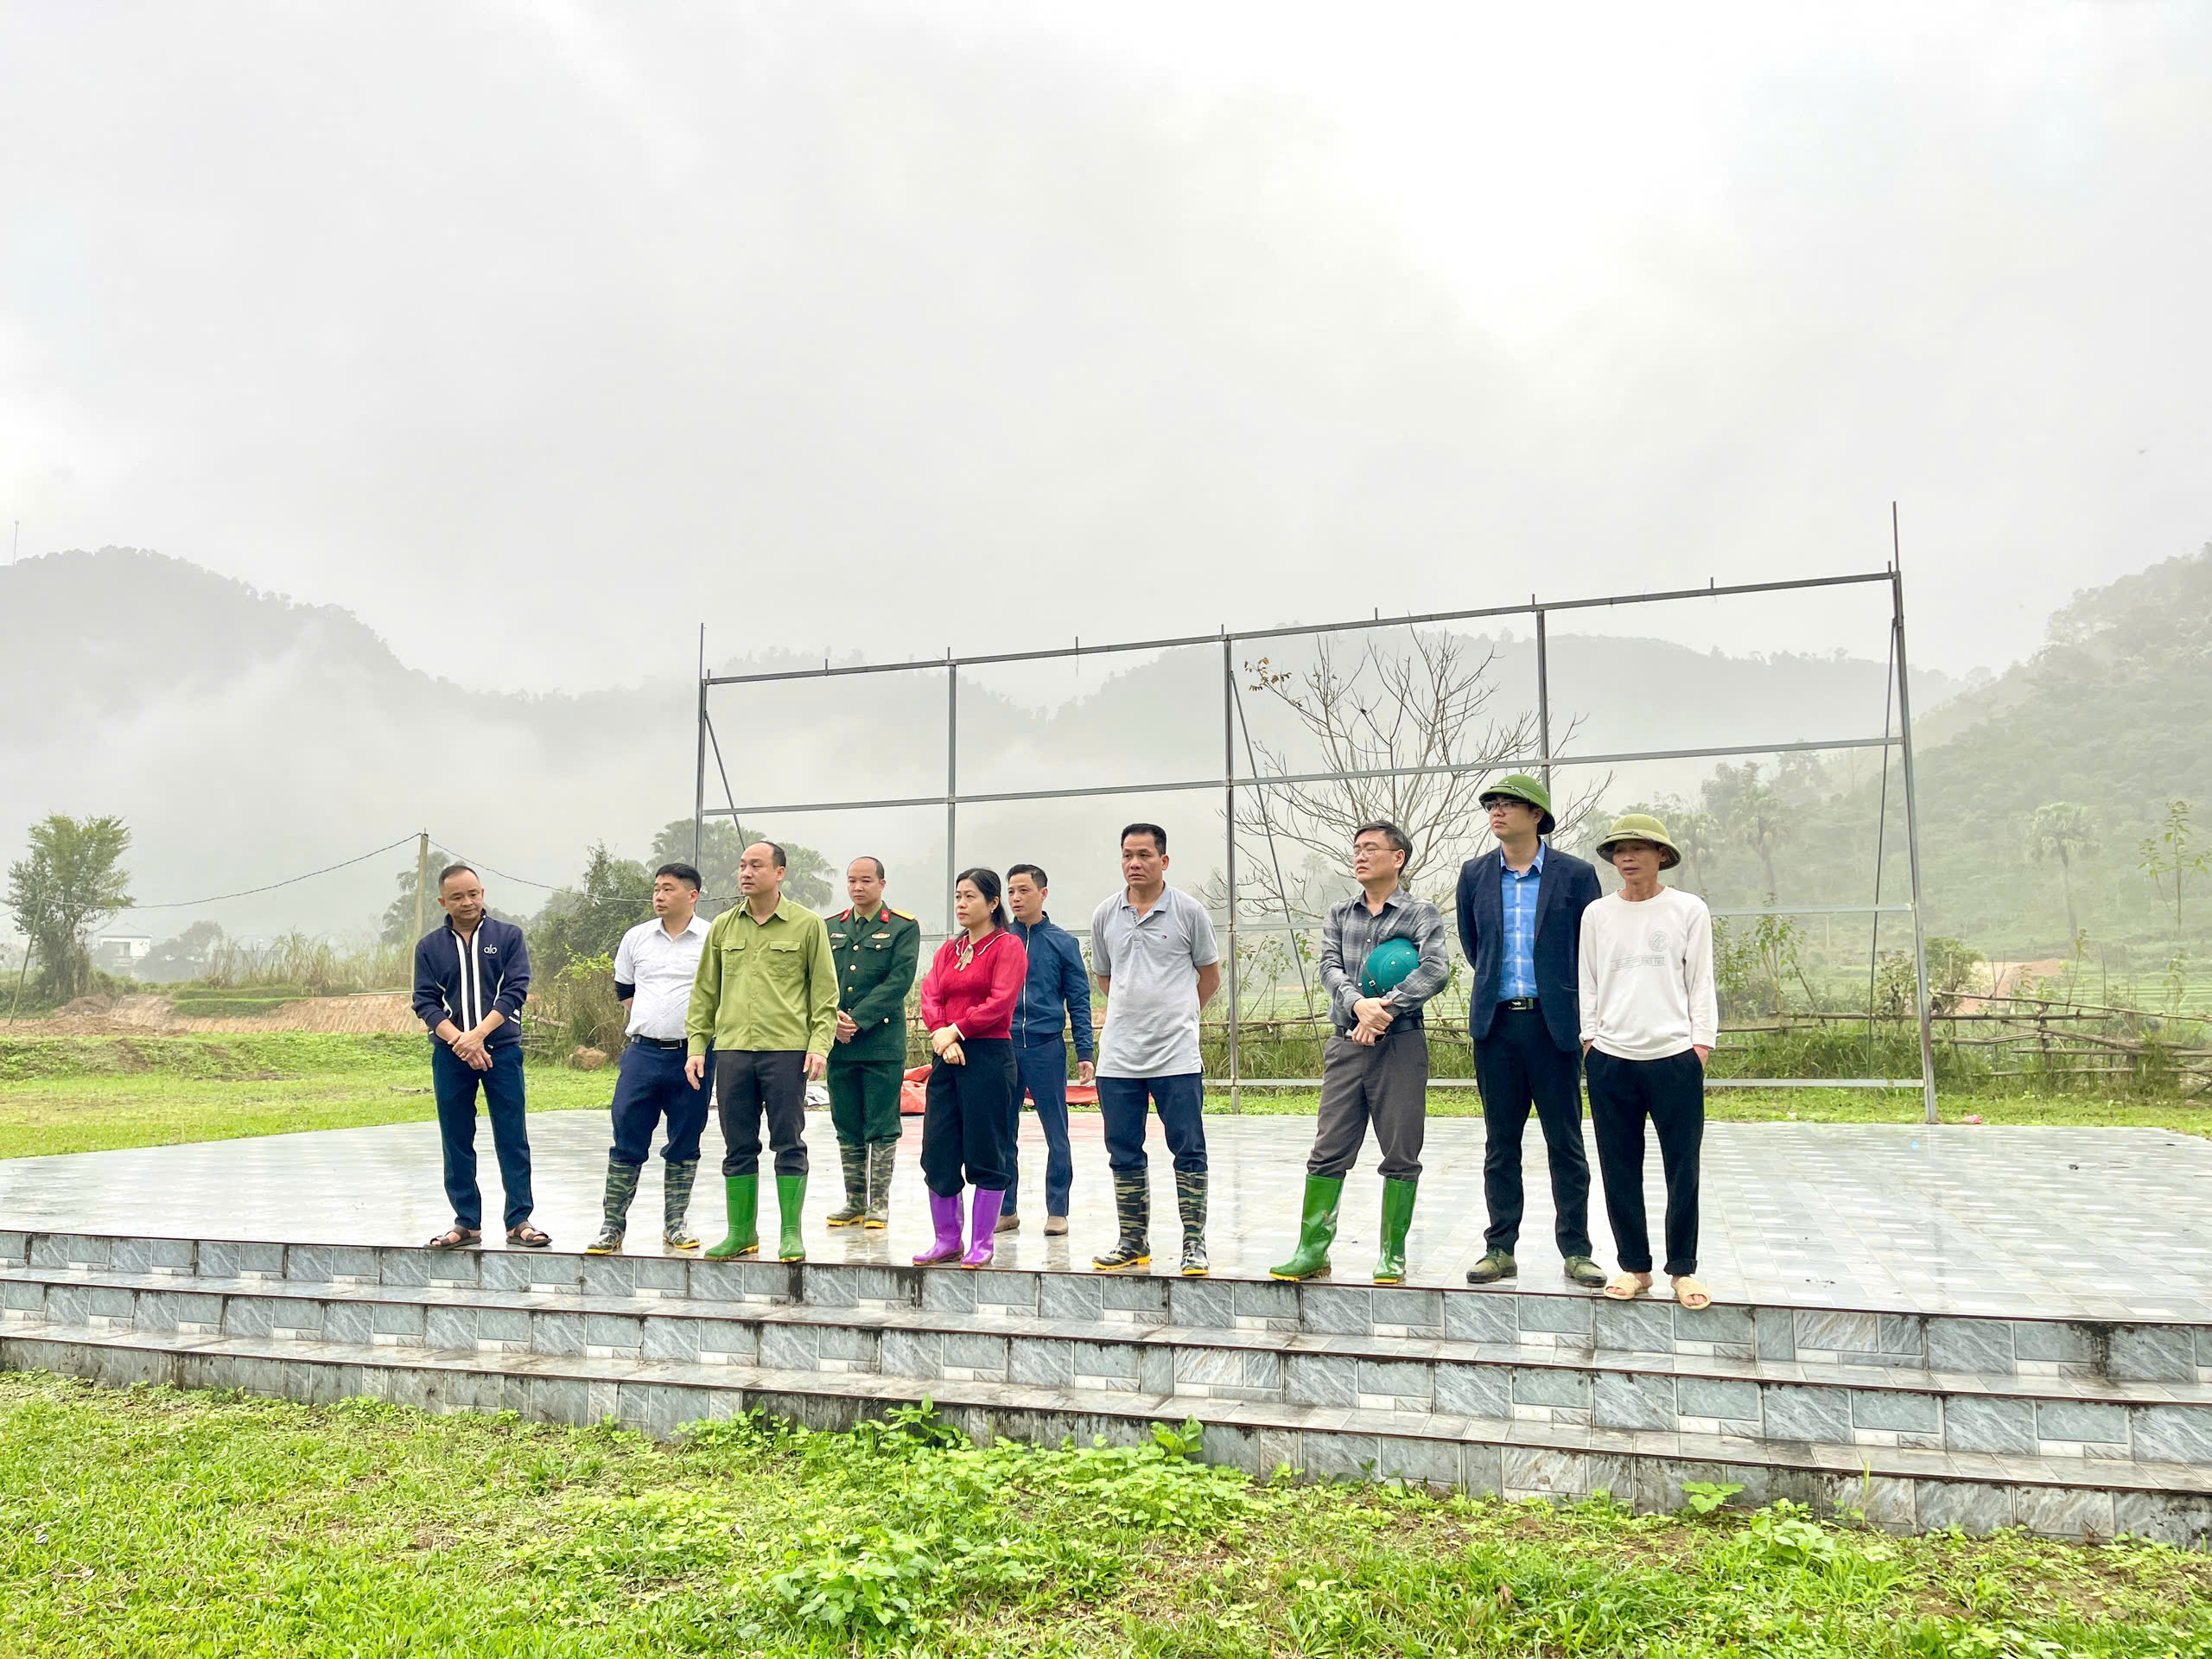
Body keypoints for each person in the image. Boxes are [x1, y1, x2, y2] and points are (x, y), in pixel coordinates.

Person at [1271, 822, 1449, 1283]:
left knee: (1401, 1149)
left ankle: (1392, 1254)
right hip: (1345, 1043)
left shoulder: (1421, 913)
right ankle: (1312, 1250)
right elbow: (1328, 967)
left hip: (1401, 1045)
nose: (1361, 856)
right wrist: (1358, 1006)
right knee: (1329, 1148)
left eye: (1371, 848)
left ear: (1398, 858)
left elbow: (1436, 969)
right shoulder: (1339, 913)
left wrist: (1383, 1010)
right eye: (1357, 849)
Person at [1454, 773, 1607, 1289]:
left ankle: (1577, 1250)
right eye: (1491, 805)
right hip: (1497, 1026)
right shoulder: (1474, 874)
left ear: (1537, 815)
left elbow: (1589, 947)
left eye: (1508, 804)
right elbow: (1475, 946)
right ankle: (1499, 1248)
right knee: (1501, 1143)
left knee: (1565, 1142)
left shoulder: (1576, 874)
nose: (1496, 812)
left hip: (1554, 1025)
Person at [1580, 812, 1719, 1311]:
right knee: (1618, 1168)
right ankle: (1634, 1267)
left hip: (1675, 1056)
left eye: (1637, 849)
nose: (1627, 858)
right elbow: (1588, 981)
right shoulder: (1597, 914)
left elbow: (1700, 979)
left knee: (1683, 1167)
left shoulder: (1688, 909)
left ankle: (1683, 1269)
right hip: (1611, 1058)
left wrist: (1700, 1044)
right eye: (1619, 850)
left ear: (1662, 855)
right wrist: (1590, 1040)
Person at [684, 841, 838, 1263]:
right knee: (737, 1144)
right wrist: (697, 1046)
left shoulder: (807, 925)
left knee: (788, 1141)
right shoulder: (723, 927)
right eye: (742, 866)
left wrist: (819, 1045)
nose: (746, 873)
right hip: (733, 1050)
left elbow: (824, 993)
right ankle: (741, 1232)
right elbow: (705, 991)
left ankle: (790, 1233)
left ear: (780, 873)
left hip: (786, 1050)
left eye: (756, 865)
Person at [1090, 823, 1221, 1275]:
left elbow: (1210, 977)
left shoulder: (1189, 912)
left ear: (1163, 861)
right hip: (1118, 1059)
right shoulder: (1105, 915)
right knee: (1123, 1150)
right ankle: (1132, 1241)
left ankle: (1194, 1243)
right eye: (1127, 855)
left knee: (1189, 1149)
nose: (1135, 863)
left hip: (1176, 1057)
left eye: (1144, 855)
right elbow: (1106, 978)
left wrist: (1179, 1015)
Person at [411, 863, 545, 1249]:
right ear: (443, 902)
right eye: (457, 897)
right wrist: (461, 1042)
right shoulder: (429, 947)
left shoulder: (508, 937)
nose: (467, 902)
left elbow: (515, 990)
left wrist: (479, 1036)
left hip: (502, 1051)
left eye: (473, 894)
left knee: (512, 1135)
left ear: (482, 893)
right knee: (455, 1137)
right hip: (451, 1056)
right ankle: (466, 1222)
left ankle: (519, 1220)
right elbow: (425, 1002)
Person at [587, 863, 710, 1255]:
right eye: (657, 888)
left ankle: (675, 1224)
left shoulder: (712, 938)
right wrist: (655, 1018)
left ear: (692, 895)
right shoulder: (636, 937)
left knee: (686, 1137)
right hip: (642, 1053)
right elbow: (624, 989)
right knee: (627, 1133)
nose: (659, 895)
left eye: (669, 889)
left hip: (693, 1056)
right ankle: (611, 1226)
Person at [913, 868, 1028, 1268]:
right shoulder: (949, 950)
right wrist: (942, 1036)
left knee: (986, 1147)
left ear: (993, 903)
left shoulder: (1007, 946)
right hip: (946, 1055)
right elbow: (930, 993)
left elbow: (1001, 1001)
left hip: (988, 1057)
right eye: (958, 896)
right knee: (938, 1148)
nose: (961, 904)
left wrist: (957, 1030)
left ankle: (982, 1241)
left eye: (970, 897)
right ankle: (947, 1239)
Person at [823, 857, 921, 1230]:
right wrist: (832, 1017)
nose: (858, 887)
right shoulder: (831, 927)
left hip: (880, 1042)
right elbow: (820, 978)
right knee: (846, 1122)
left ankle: (879, 1203)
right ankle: (854, 1202)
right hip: (838, 1042)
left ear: (882, 884)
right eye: (852, 881)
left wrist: (858, 1019)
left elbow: (899, 981)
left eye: (866, 880)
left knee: (881, 1124)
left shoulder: (902, 926)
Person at [1005, 862, 1095, 1237]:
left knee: (1056, 1132)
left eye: (1024, 890)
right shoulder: (999, 940)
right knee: (1001, 1132)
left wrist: (1085, 1051)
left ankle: (1058, 1210)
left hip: (1047, 1048)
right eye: (1011, 891)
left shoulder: (1062, 943)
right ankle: (1005, 1209)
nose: (1016, 898)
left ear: (1043, 893)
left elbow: (1079, 1000)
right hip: (1004, 1048)